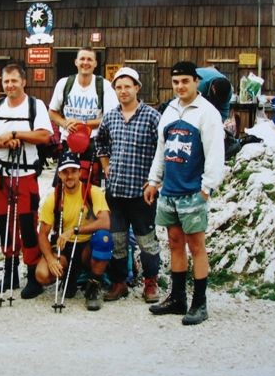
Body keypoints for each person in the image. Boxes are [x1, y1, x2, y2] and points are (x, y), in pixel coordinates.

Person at [144, 61, 224, 326]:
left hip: (193, 192)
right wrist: (154, 181)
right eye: (176, 82)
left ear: (196, 81)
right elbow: (161, 149)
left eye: (185, 81)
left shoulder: (207, 113)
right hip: (170, 191)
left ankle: (199, 303)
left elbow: (215, 153)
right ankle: (177, 298)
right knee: (175, 243)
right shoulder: (169, 111)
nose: (180, 87)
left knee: (196, 246)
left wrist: (207, 187)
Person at [0, 63, 53, 299]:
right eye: (6, 81)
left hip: (26, 173)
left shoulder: (35, 105)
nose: (10, 85)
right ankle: (10, 272)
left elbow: (44, 134)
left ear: (24, 82)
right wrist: (2, 142)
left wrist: (15, 135)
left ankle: (32, 274)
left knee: (28, 225)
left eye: (14, 81)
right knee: (5, 223)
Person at [96, 67, 162, 304]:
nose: (123, 91)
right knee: (118, 241)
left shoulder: (153, 117)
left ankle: (150, 283)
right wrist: (105, 164)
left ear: (137, 88)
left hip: (142, 193)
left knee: (146, 241)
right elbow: (100, 142)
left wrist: (155, 180)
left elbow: (163, 151)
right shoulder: (110, 117)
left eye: (127, 86)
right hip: (116, 191)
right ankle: (119, 282)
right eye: (119, 87)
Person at [35, 152, 113, 311]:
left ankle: (93, 286)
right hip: (64, 247)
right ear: (59, 174)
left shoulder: (93, 191)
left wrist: (75, 230)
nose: (69, 176)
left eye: (73, 171)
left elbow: (105, 222)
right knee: (42, 274)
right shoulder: (54, 197)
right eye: (65, 172)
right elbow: (43, 233)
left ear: (79, 172)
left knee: (104, 238)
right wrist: (50, 259)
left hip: (87, 245)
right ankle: (69, 276)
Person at [48, 47, 119, 182]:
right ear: (76, 62)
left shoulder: (104, 86)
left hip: (93, 144)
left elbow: (112, 118)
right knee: (65, 185)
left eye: (89, 59)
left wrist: (83, 124)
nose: (85, 62)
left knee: (89, 188)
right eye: (82, 59)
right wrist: (64, 123)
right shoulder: (64, 83)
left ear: (95, 64)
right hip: (68, 143)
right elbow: (52, 111)